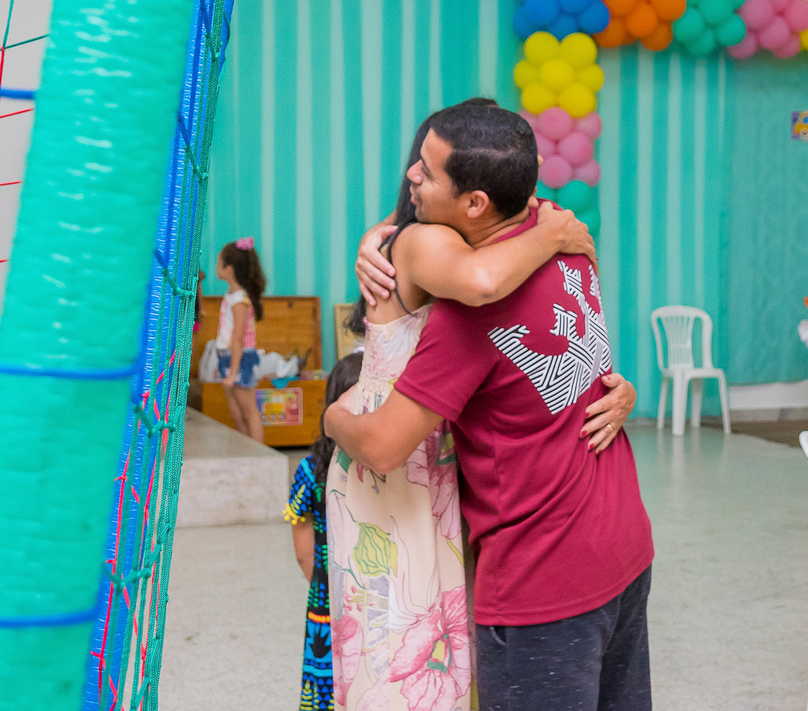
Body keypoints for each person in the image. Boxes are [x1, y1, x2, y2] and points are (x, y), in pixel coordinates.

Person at [326, 104, 654, 711]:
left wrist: (331, 417)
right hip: (622, 542)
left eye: (426, 170)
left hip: (541, 573)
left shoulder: (467, 314)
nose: (410, 176)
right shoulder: (567, 240)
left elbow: (383, 446)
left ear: (476, 202)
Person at [287, 352, 363, 711]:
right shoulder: (386, 468)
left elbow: (304, 553)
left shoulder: (310, 468)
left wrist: (328, 591)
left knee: (327, 685)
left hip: (326, 600)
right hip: (380, 599)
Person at [214, 237, 265, 443]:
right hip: (227, 357)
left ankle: (259, 455)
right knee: (236, 413)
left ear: (229, 269)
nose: (216, 267)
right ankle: (247, 451)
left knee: (248, 411)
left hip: (239, 359)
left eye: (218, 263)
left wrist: (234, 372)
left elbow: (238, 338)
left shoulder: (239, 299)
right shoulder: (232, 295)